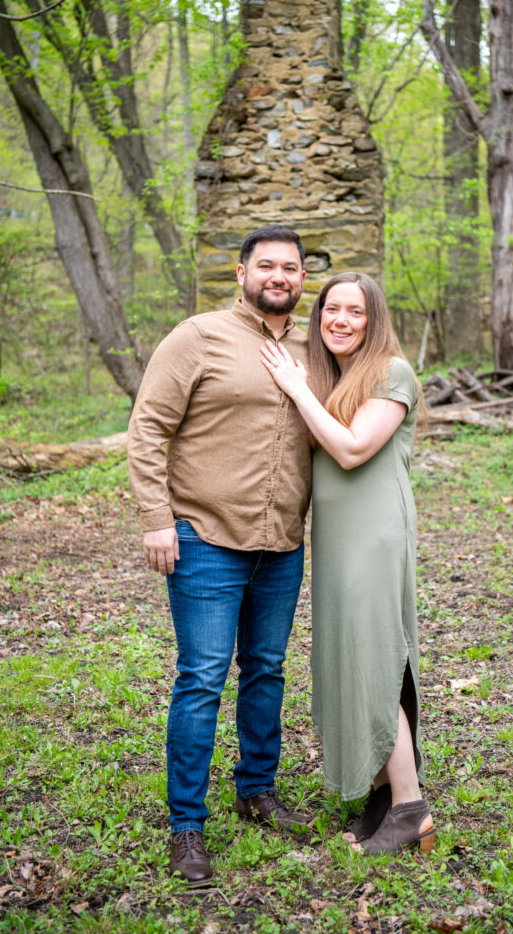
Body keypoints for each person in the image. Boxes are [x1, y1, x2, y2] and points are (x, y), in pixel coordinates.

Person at [127, 224, 312, 886]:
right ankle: (186, 826)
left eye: (290, 267)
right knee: (202, 677)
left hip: (282, 541)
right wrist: (156, 519)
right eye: (266, 265)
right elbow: (148, 427)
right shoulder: (196, 337)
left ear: (300, 278)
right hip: (204, 536)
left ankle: (256, 789)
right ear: (240, 273)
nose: (279, 277)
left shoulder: (314, 348)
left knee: (265, 668)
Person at [260, 272, 435, 856]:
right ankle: (383, 799)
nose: (340, 319)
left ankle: (410, 808)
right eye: (331, 309)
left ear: (373, 318)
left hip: (375, 534)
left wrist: (294, 385)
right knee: (348, 655)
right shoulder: (334, 375)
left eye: (354, 311)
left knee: (375, 658)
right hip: (335, 538)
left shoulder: (392, 372)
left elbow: (354, 448)